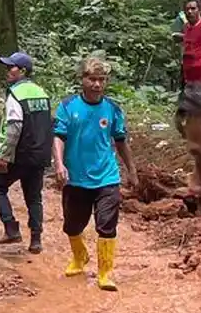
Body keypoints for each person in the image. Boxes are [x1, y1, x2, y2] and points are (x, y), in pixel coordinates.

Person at [53, 57, 138, 292]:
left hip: (107, 177)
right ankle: (79, 257)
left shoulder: (112, 109)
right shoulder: (68, 106)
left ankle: (105, 273)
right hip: (76, 177)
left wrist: (131, 170)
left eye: (101, 80)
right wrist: (59, 164)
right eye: (92, 79)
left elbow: (120, 141)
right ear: (83, 80)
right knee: (72, 225)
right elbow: (59, 136)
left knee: (107, 225)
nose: (97, 85)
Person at [0, 51, 54, 254]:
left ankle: (10, 228)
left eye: (11, 67)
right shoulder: (41, 93)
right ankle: (36, 240)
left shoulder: (15, 94)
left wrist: (4, 156)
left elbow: (14, 128)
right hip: (39, 154)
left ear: (23, 71)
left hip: (19, 154)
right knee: (34, 197)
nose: (8, 71)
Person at [172, 0, 201, 210]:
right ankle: (197, 184)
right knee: (185, 127)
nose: (190, 11)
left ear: (200, 10)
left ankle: (197, 186)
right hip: (190, 83)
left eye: (193, 8)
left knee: (197, 141)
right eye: (188, 9)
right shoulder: (187, 28)